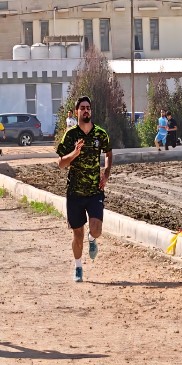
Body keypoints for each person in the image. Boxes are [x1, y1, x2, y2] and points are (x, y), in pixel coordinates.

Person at [56, 96, 113, 282]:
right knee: (77, 234)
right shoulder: (71, 135)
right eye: (82, 108)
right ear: (77, 112)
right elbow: (61, 164)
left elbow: (109, 153)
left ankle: (92, 238)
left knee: (96, 230)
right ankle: (78, 267)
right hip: (75, 192)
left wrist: (106, 173)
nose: (86, 110)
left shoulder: (100, 133)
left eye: (88, 107)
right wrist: (75, 153)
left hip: (95, 190)